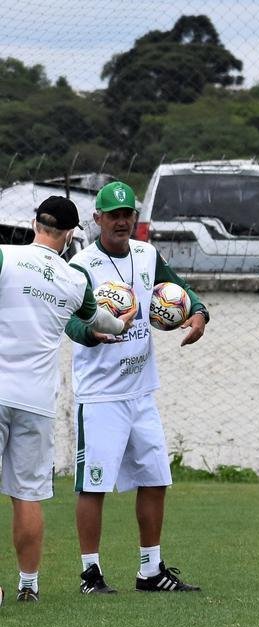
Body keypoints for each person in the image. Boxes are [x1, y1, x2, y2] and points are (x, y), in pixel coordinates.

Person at [65, 181, 210, 595]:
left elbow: (179, 288)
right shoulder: (82, 265)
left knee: (155, 478)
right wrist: (94, 335)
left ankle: (150, 570)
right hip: (101, 396)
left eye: (128, 213)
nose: (122, 221)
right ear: (98, 220)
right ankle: (90, 574)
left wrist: (198, 312)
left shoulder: (147, 255)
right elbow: (71, 323)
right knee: (93, 484)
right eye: (113, 215)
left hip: (141, 391)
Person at [0, 196, 133, 602]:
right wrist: (125, 317)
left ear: (35, 223)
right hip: (37, 401)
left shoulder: (5, 257)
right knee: (27, 494)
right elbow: (102, 323)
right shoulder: (75, 282)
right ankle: (28, 586)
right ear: (72, 234)